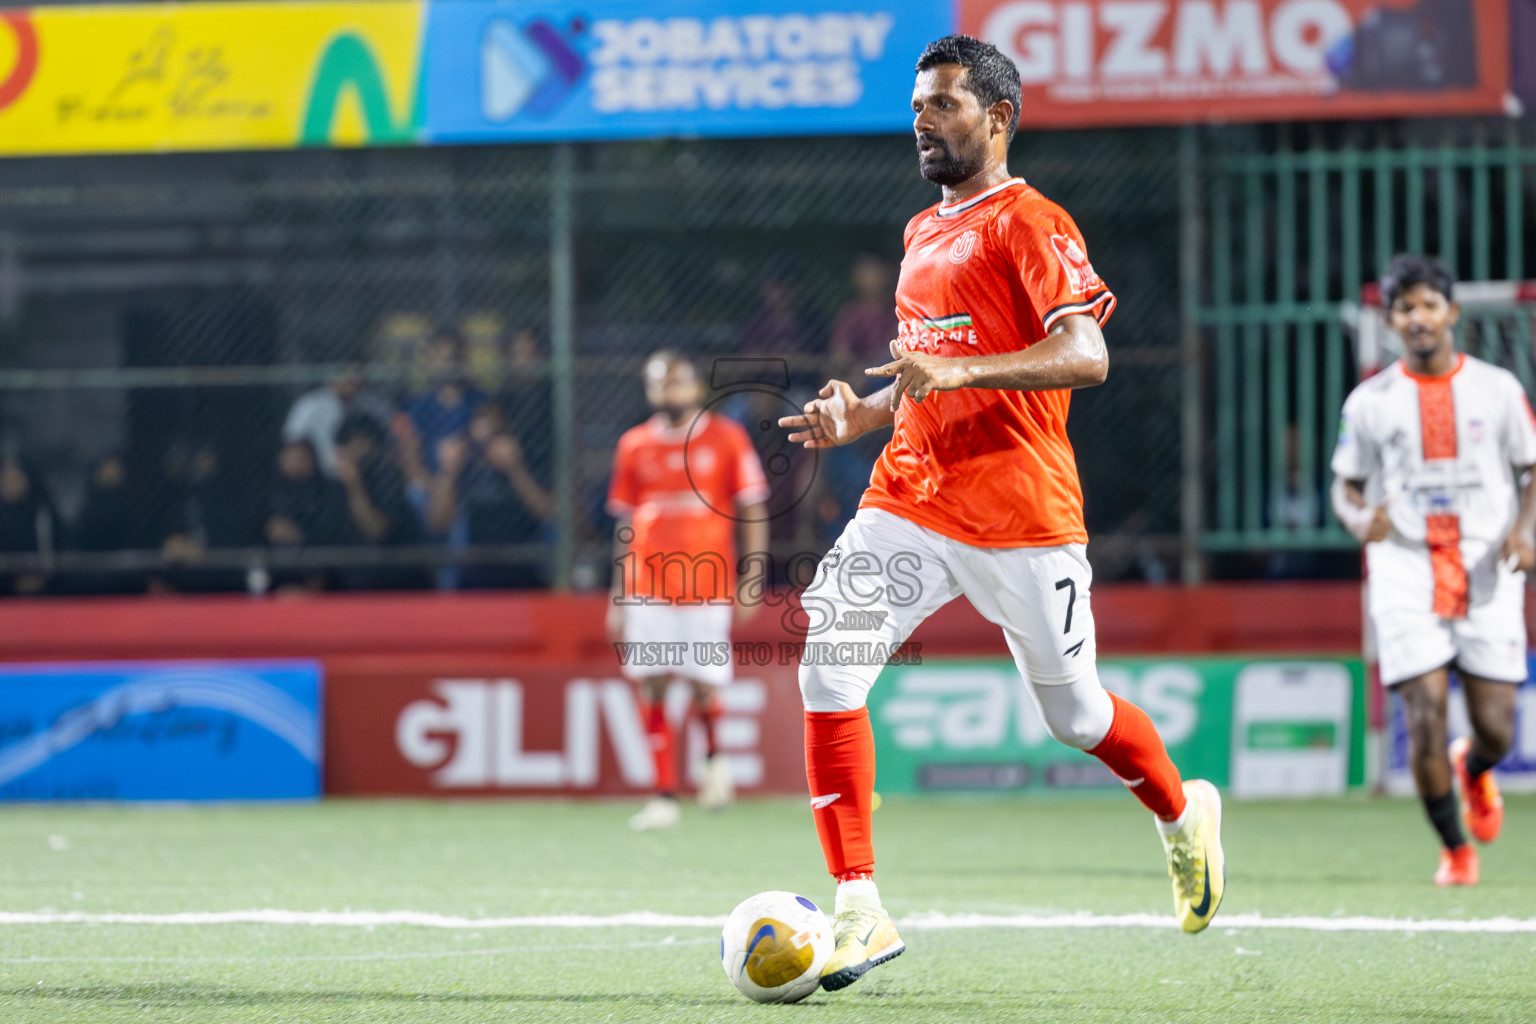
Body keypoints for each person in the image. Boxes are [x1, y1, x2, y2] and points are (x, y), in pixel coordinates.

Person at [777, 35, 1225, 992]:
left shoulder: (1032, 222)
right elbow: (920, 375)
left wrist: (961, 370)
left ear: (998, 117)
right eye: (917, 108)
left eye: (943, 104)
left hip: (1020, 511)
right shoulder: (919, 234)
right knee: (827, 660)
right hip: (907, 497)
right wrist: (860, 414)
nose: (923, 122)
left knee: (1075, 715)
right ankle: (860, 907)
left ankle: (1184, 814)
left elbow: (1087, 355)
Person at [1331, 254, 1536, 887]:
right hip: (1405, 569)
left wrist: (1526, 531)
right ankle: (1455, 849)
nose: (1417, 318)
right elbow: (1345, 487)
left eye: (1427, 305)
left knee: (1497, 732)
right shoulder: (1370, 401)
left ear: (1451, 312)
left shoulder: (1498, 389)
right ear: (1389, 319)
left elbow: (1531, 472)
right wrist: (1360, 521)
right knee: (1422, 713)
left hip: (1487, 564)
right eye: (1404, 308)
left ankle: (1474, 768)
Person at [607, 350, 770, 831]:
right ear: (649, 389)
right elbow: (622, 520)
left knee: (704, 682)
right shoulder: (634, 444)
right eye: (660, 383)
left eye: (677, 382)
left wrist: (753, 575)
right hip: (646, 584)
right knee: (652, 680)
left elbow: (753, 507)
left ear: (696, 387)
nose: (669, 391)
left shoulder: (726, 438)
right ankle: (663, 794)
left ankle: (715, 760)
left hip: (707, 583)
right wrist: (616, 593)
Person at [426, 404, 553, 589]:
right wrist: (449, 471)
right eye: (480, 441)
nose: (487, 447)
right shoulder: (465, 468)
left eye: (494, 437)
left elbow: (547, 512)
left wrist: (514, 468)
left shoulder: (525, 461)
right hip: (473, 563)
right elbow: (437, 523)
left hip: (521, 562)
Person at [332, 415, 427, 591]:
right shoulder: (334, 484)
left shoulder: (387, 478)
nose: (350, 454)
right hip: (350, 582)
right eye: (345, 446)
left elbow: (376, 530)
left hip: (395, 581)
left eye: (358, 444)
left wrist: (355, 486)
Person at [282, 368, 396, 478]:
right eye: (299, 468)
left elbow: (315, 401)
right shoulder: (327, 466)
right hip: (364, 423)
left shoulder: (296, 425)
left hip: (339, 391)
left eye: (294, 461)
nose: (299, 461)